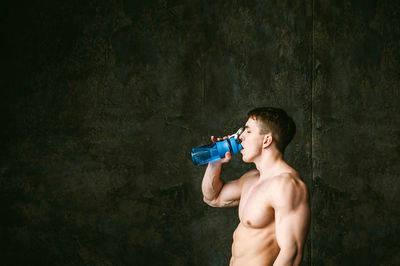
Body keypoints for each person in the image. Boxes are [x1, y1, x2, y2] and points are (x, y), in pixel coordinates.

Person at [201, 107, 310, 266]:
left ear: (266, 140)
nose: (240, 137)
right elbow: (212, 198)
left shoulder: (287, 185)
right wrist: (214, 162)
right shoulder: (250, 179)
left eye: (248, 131)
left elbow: (291, 254)